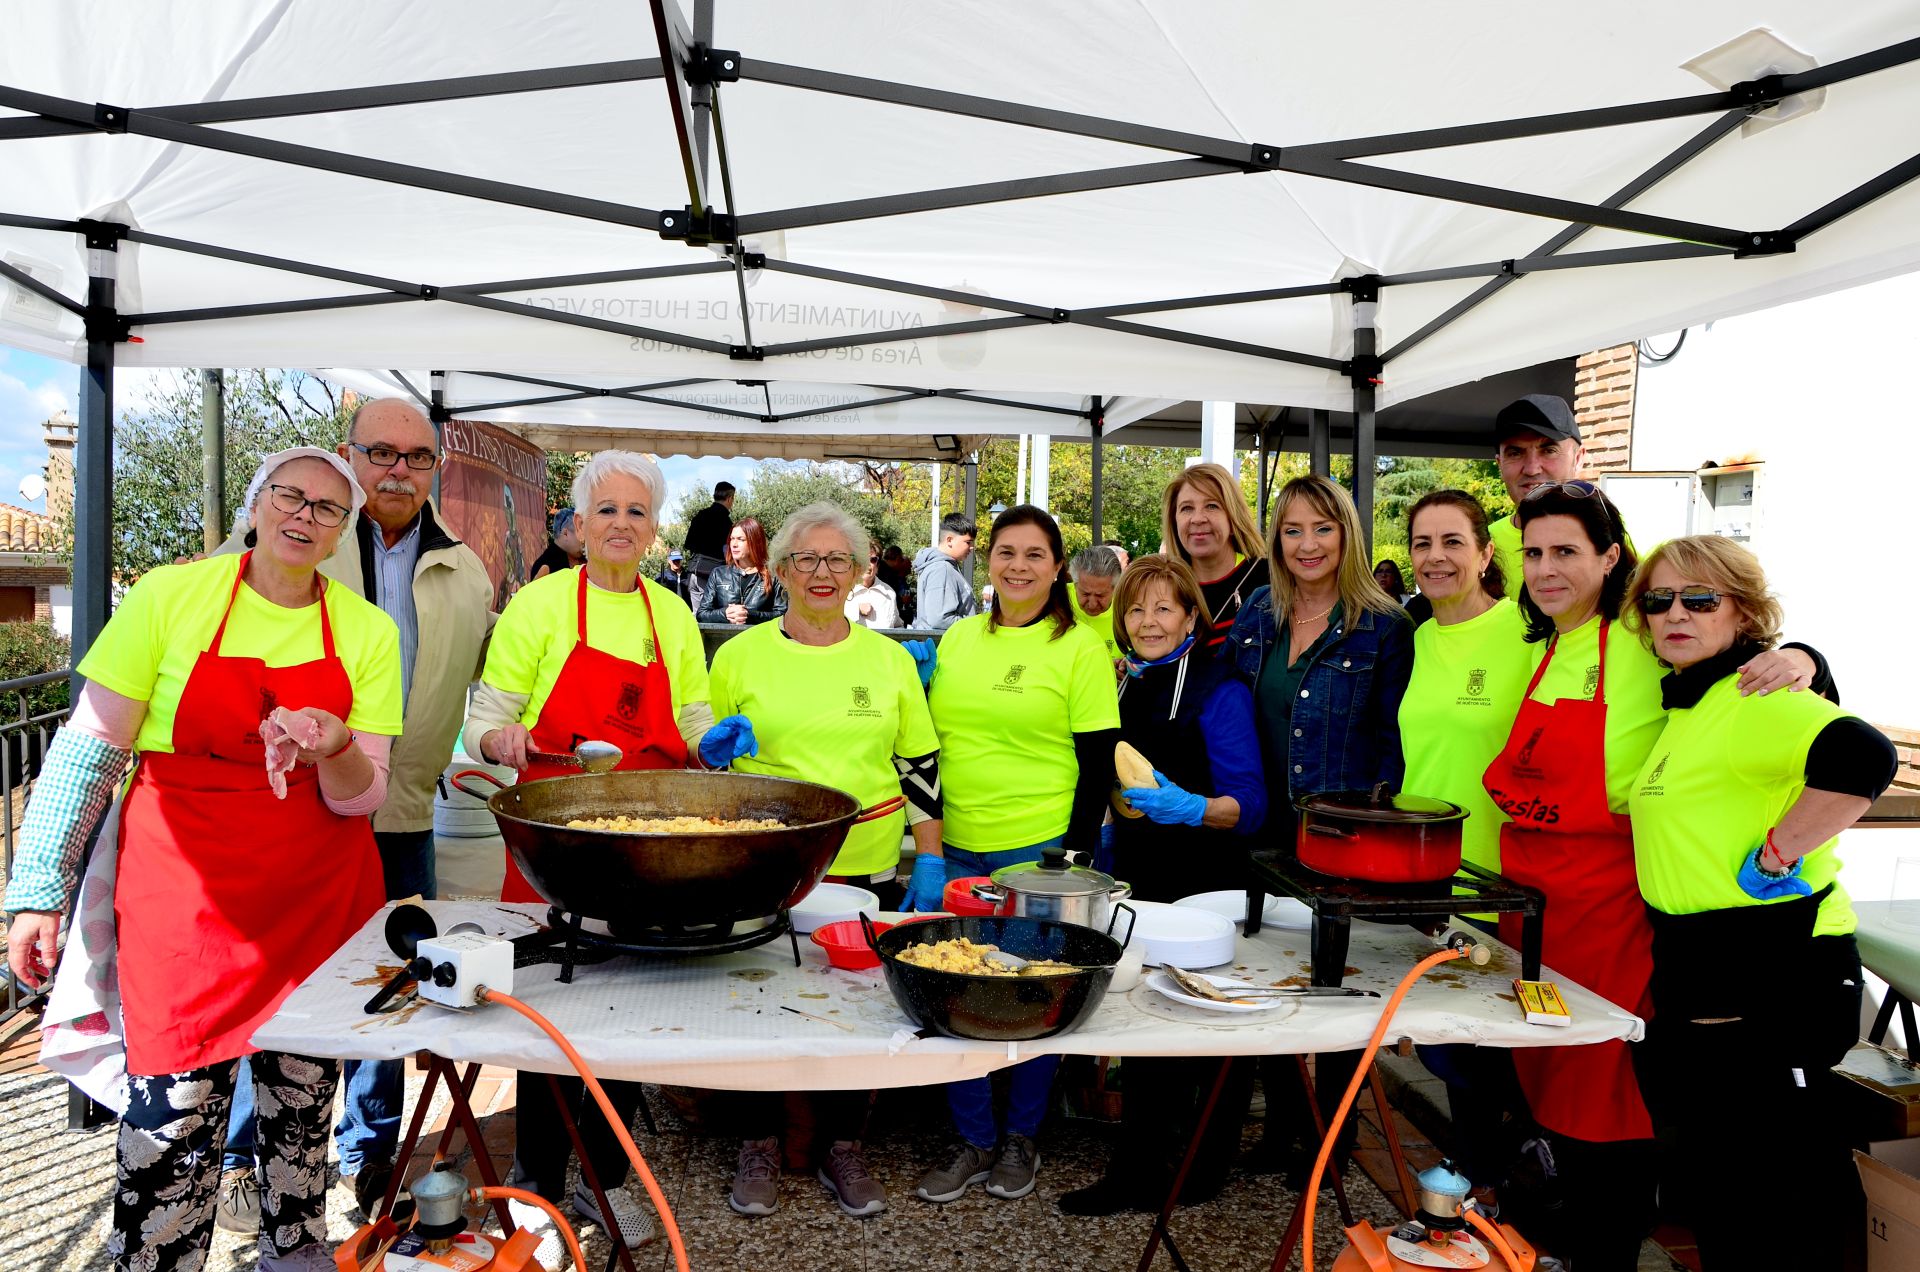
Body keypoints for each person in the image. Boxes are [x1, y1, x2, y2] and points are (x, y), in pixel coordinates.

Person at [7, 447, 401, 1272]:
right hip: (185, 899)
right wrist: (38, 888)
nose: (305, 516)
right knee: (171, 1120)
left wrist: (333, 747)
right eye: (290, 496)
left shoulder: (367, 631)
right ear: (255, 505)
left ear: (341, 535)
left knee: (301, 1117)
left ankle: (291, 1252)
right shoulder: (170, 596)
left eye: (329, 509)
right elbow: (89, 751)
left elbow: (362, 797)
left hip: (315, 902)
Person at [464, 450, 756, 1261]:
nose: (622, 525)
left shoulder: (671, 614)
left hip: (650, 850)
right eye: (607, 511)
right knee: (548, 1023)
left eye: (637, 511)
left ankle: (608, 1176)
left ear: (655, 526)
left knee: (629, 1020)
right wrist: (499, 738)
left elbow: (692, 721)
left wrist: (713, 749)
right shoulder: (540, 606)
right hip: (556, 841)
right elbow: (482, 718)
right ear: (579, 523)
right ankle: (536, 1190)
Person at [211, 398, 493, 1228]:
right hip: (291, 806)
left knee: (392, 984)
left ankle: (367, 1155)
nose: (397, 471)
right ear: (349, 454)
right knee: (276, 976)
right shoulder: (291, 541)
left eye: (416, 457)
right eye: (380, 452)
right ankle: (243, 1150)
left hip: (401, 808)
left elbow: (478, 683)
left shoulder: (466, 571)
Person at [1625, 538, 1894, 1271]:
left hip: (1781, 974)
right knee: (1723, 1192)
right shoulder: (1689, 704)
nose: (1675, 613)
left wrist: (1781, 850)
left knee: (1780, 1195)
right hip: (1702, 973)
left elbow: (1865, 758)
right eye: (1659, 600)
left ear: (1742, 612)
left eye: (1700, 598)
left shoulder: (1754, 696)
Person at [708, 502, 944, 1219]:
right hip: (765, 864)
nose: (821, 572)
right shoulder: (740, 655)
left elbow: (919, 765)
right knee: (757, 1004)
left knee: (855, 1011)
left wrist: (927, 860)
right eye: (805, 559)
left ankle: (843, 1144)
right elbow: (714, 766)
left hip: (866, 863)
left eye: (837, 559)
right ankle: (758, 1142)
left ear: (860, 570)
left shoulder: (889, 659)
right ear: (778, 570)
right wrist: (712, 752)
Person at [911, 505, 1120, 1205]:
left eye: (1035, 554)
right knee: (953, 993)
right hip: (960, 847)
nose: (1018, 566)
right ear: (987, 560)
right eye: (1006, 552)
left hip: (1040, 853)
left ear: (1058, 567)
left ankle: (1021, 1136)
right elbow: (931, 743)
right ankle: (972, 1137)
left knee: (1035, 993)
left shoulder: (1080, 647)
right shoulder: (961, 638)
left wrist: (1075, 857)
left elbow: (1098, 765)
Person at [1057, 555, 1266, 1216]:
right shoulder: (1125, 683)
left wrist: (1192, 806)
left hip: (1207, 884)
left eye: (1163, 608)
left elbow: (1252, 806)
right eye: (1136, 608)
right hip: (1142, 874)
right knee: (1147, 1025)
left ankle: (1204, 1167)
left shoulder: (1220, 689)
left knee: (1209, 1025)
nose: (1148, 621)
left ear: (1189, 618)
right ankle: (1142, 1165)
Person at [1226, 474, 1412, 1183]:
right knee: (1271, 982)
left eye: (1322, 529)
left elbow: (1394, 744)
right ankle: (1285, 1125)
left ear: (1348, 535)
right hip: (1261, 834)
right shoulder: (1256, 618)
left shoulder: (1385, 627)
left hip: (1341, 840)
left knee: (1336, 991)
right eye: (1293, 529)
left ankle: (1333, 1138)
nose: (1307, 544)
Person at [1486, 395, 1587, 595]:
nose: (1532, 469)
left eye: (1549, 450)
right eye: (1515, 453)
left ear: (1578, 459)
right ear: (1499, 464)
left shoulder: (1614, 538)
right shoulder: (1481, 546)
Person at [1161, 461, 1268, 649]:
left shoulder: (1270, 579)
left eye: (1211, 506)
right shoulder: (1166, 588)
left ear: (1233, 516)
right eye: (1186, 508)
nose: (1198, 518)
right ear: (1174, 520)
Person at [698, 517, 787, 626]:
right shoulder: (719, 574)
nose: (734, 544)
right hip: (726, 640)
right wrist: (725, 614)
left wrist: (750, 616)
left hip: (758, 640)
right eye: (732, 538)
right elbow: (702, 614)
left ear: (755, 542)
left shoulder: (774, 575)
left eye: (741, 539)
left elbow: (783, 616)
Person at [912, 513, 980, 632]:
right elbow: (940, 619)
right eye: (968, 542)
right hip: (944, 646)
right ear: (949, 540)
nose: (971, 547)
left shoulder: (945, 567)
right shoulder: (941, 569)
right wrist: (975, 625)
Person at [683, 480, 735, 616]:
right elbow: (729, 552)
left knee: (696, 617)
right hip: (709, 576)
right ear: (730, 498)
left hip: (693, 572)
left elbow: (688, 544)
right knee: (707, 616)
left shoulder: (701, 515)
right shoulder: (726, 522)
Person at [1067, 544, 1123, 663]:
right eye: (1085, 594)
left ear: (1115, 588)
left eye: (1100, 595)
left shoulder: (1127, 606)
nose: (1092, 604)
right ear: (1075, 584)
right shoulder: (1057, 600)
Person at [844, 551, 900, 629]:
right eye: (863, 559)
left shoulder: (889, 593)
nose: (868, 564)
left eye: (872, 560)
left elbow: (897, 626)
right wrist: (855, 609)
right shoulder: (843, 589)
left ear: (877, 565)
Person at [529, 507, 583, 580]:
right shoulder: (547, 565)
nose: (584, 540)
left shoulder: (586, 558)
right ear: (565, 533)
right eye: (581, 534)